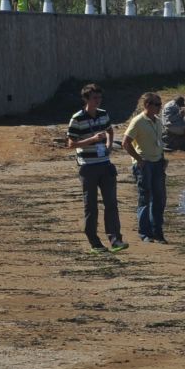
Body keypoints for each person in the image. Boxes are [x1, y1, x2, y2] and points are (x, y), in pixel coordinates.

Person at [65, 83, 126, 252]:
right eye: (94, 98)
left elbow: (110, 131)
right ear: (86, 99)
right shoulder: (77, 118)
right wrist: (91, 140)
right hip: (88, 167)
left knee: (111, 203)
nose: (98, 101)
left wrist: (108, 145)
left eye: (99, 98)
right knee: (90, 205)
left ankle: (115, 239)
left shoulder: (103, 114)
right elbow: (71, 144)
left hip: (105, 164)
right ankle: (94, 242)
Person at [123, 92, 168, 243]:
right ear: (147, 105)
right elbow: (126, 142)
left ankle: (157, 231)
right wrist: (138, 160)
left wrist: (162, 158)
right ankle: (145, 233)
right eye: (156, 104)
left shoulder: (157, 121)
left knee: (159, 198)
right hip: (145, 164)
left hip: (157, 163)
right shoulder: (138, 121)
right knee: (145, 197)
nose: (159, 107)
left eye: (160, 104)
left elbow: (159, 142)